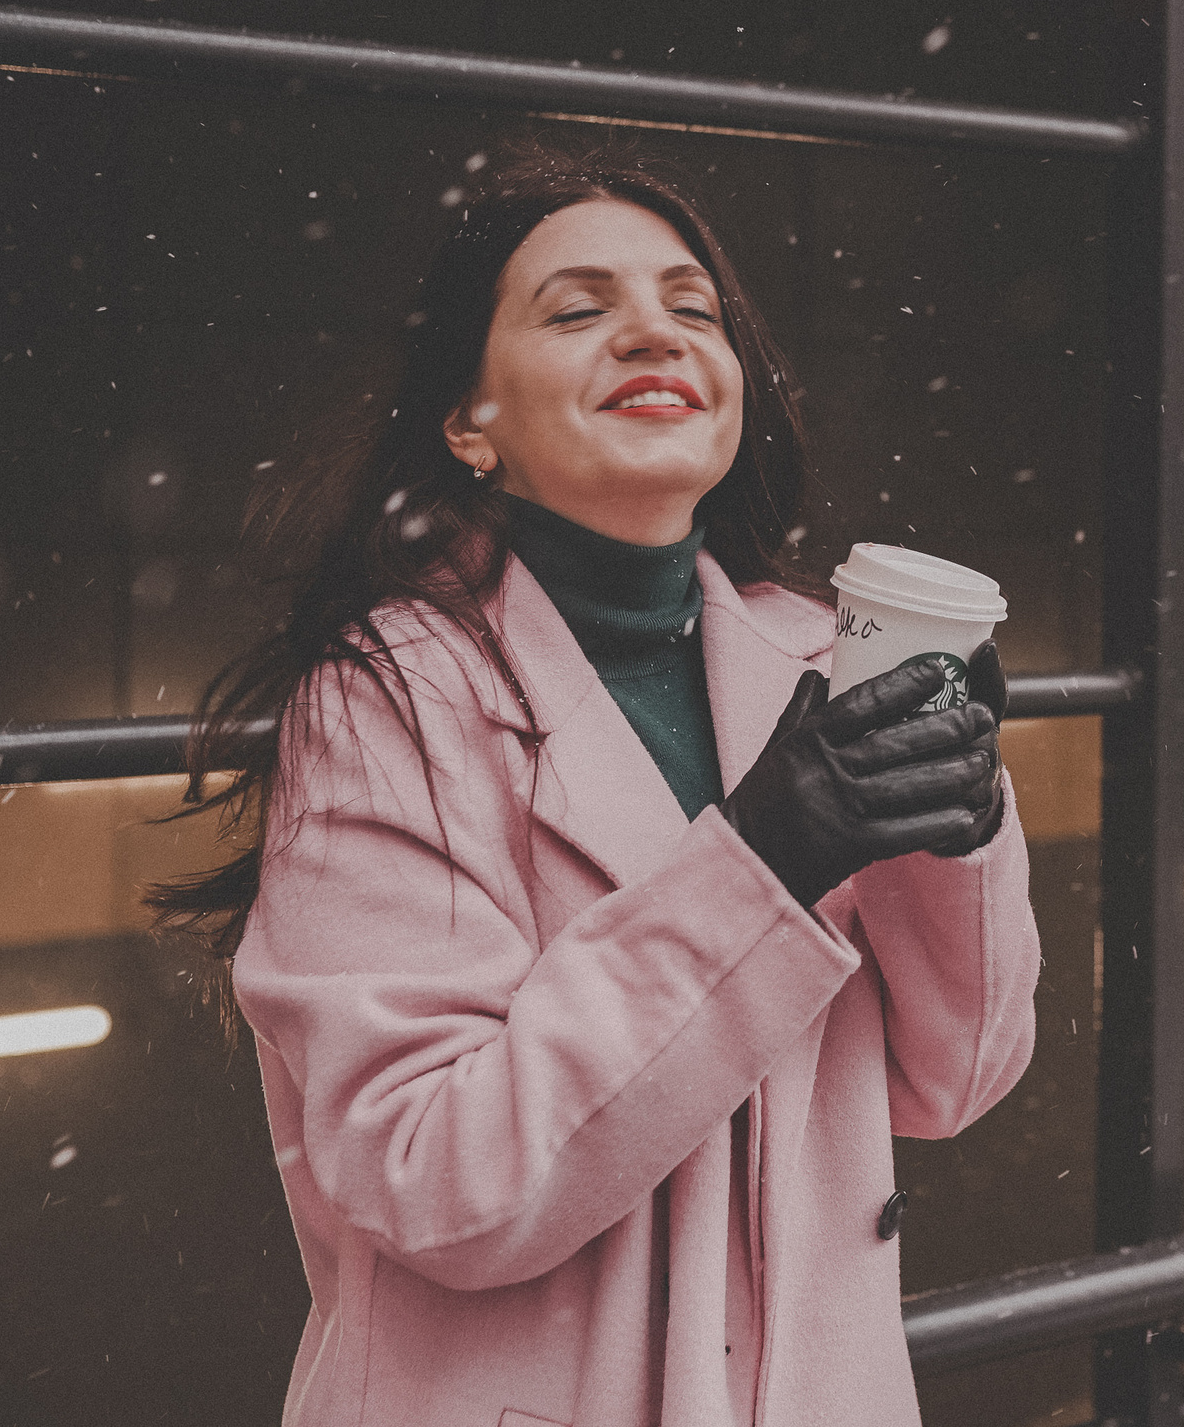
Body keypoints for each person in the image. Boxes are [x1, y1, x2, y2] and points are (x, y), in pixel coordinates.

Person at [145, 140, 1041, 1427]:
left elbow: (953, 1081)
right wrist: (766, 863)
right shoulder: (388, 695)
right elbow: (437, 1181)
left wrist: (959, 832)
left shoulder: (810, 659)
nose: (650, 335)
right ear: (469, 423)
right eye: (578, 311)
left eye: (693, 310)